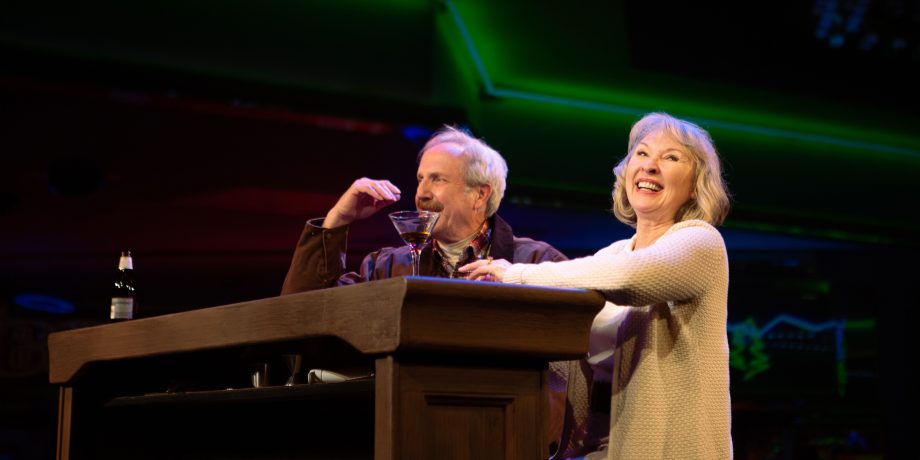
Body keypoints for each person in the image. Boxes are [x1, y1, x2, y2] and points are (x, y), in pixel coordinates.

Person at [462, 112, 733, 459]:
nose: (650, 166)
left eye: (671, 158)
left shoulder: (701, 242)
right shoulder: (614, 253)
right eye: (642, 153)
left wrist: (514, 273)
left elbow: (631, 279)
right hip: (598, 442)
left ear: (695, 184)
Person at [280, 125, 568, 294]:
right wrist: (336, 220)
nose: (421, 194)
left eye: (438, 179)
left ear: (480, 195)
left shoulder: (536, 262)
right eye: (420, 179)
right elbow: (304, 319)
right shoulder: (386, 267)